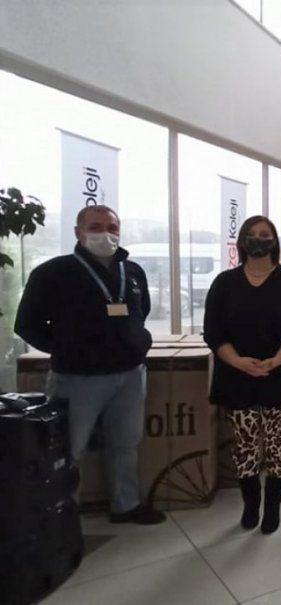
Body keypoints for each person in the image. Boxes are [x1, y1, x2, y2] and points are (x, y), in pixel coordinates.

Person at [15, 205, 164, 524]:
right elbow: (26, 324)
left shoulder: (132, 271)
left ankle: (126, 505)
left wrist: (136, 342)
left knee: (125, 443)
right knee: (68, 449)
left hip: (130, 374)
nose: (105, 233)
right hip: (77, 378)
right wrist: (67, 348)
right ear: (78, 232)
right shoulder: (53, 273)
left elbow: (141, 312)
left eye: (112, 227)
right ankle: (62, 517)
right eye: (95, 227)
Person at [203, 216, 281, 535]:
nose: (259, 239)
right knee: (245, 444)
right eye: (252, 234)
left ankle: (273, 508)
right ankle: (251, 505)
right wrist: (238, 362)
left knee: (278, 445)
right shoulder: (224, 283)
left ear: (275, 241)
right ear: (242, 241)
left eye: (265, 234)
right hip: (237, 377)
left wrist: (275, 361)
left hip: (279, 375)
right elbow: (213, 332)